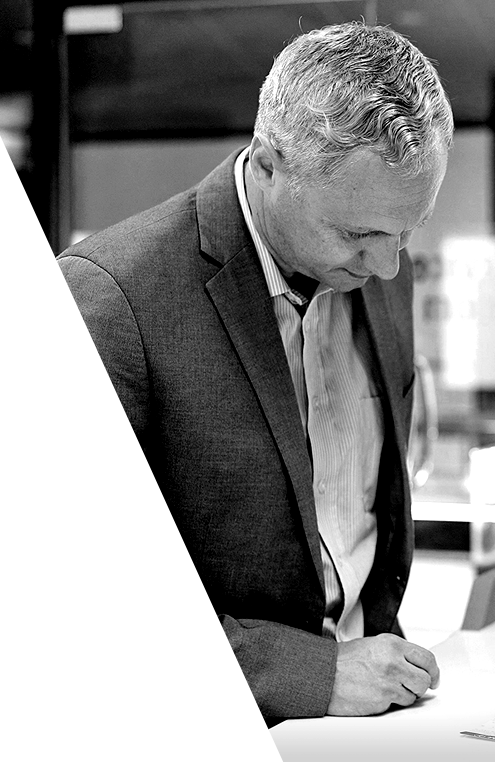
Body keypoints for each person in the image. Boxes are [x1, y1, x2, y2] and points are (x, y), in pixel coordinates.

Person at [58, 21, 453, 718]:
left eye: (408, 230)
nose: (388, 266)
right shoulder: (110, 297)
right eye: (358, 234)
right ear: (269, 164)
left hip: (376, 722)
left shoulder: (383, 271)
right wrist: (312, 674)